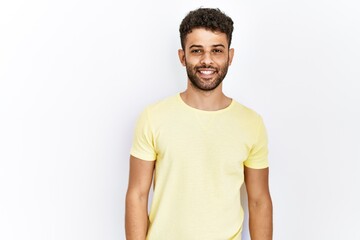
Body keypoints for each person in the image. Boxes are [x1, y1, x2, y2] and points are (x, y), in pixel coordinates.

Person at [125, 8, 273, 240]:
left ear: (230, 56)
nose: (207, 60)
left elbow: (259, 201)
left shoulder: (251, 123)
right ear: (182, 56)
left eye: (217, 51)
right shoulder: (153, 117)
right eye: (196, 51)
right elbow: (137, 195)